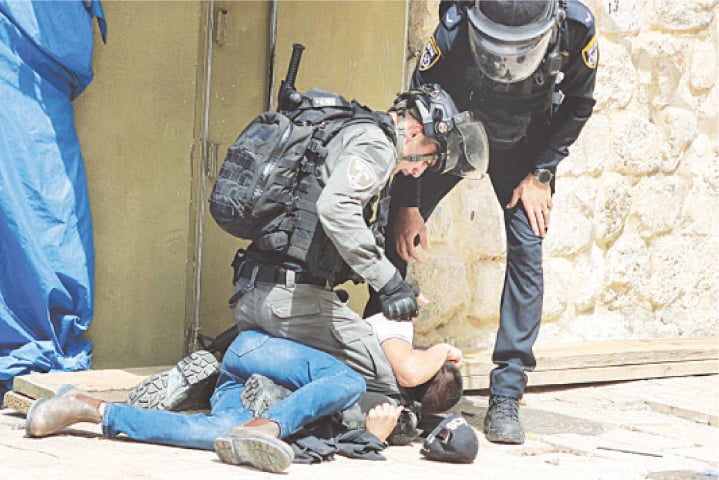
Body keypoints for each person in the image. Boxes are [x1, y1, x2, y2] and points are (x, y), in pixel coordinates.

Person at [364, 0, 598, 445]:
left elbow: (580, 105)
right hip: (452, 133)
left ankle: (506, 396)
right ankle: (380, 380)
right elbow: (415, 109)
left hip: (525, 147)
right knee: (395, 230)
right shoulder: (455, 25)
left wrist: (542, 172)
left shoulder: (576, 27)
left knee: (528, 246)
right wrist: (409, 202)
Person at [24, 329, 395, 473]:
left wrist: (375, 436)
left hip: (242, 378)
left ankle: (88, 407)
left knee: (218, 432)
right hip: (258, 348)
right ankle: (267, 427)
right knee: (351, 380)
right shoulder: (388, 340)